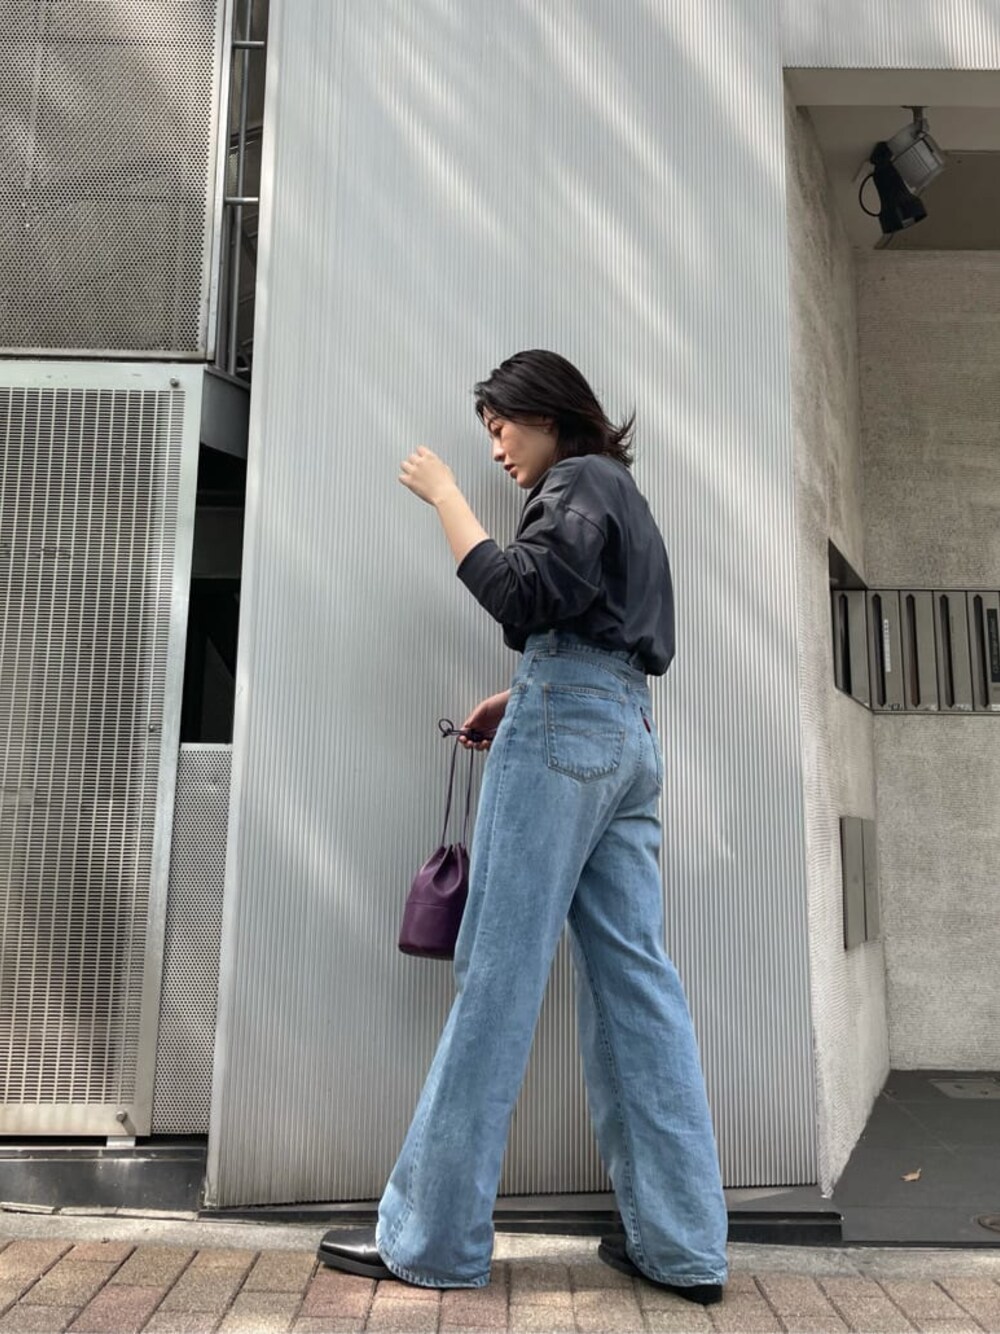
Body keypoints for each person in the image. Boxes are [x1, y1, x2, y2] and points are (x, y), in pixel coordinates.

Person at [317, 350, 729, 1304]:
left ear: (547, 413)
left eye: (501, 427)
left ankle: (431, 1241)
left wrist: (445, 497)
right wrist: (526, 693)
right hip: (627, 735)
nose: (497, 448)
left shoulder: (577, 479)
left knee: (498, 978)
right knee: (636, 984)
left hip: (569, 735)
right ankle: (684, 1248)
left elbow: (519, 592)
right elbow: (597, 632)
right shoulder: (622, 495)